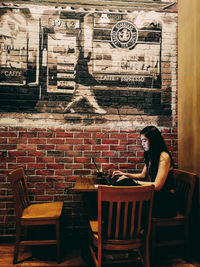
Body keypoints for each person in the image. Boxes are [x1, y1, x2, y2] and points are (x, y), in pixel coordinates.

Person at [112, 125, 177, 218]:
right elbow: (142, 175)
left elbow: (158, 186)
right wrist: (125, 174)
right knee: (128, 202)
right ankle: (131, 229)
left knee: (131, 204)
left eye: (144, 140)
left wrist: (133, 182)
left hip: (166, 201)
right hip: (156, 196)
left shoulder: (164, 156)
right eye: (141, 141)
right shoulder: (151, 155)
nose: (142, 144)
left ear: (153, 140)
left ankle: (137, 230)